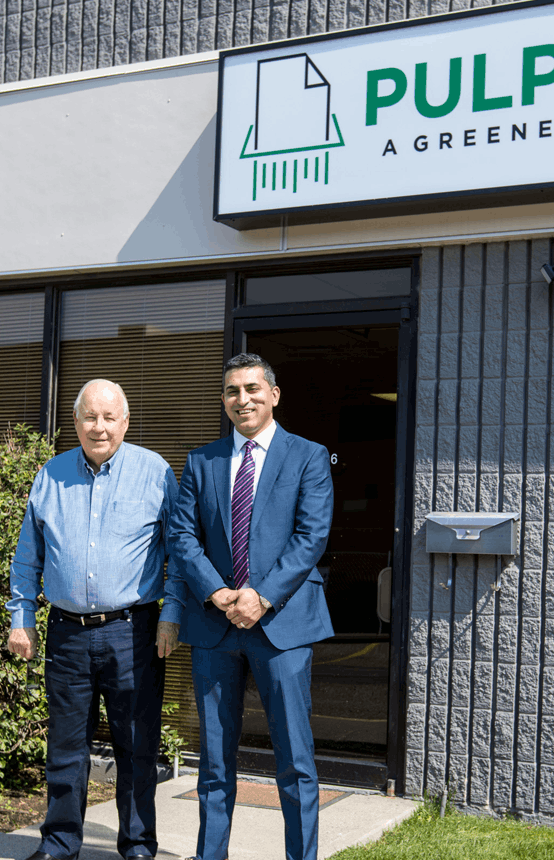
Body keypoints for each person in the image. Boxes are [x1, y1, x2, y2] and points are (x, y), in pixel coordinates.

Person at [157, 353, 334, 860]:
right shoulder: (201, 461)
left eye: (253, 389)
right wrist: (217, 592)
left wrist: (261, 596)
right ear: (223, 401)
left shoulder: (308, 455)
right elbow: (182, 536)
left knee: (294, 759)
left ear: (274, 395)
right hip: (215, 627)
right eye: (233, 391)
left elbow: (311, 536)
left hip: (282, 625)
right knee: (214, 759)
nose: (243, 399)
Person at [9, 379, 177, 860]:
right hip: (66, 635)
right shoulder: (51, 474)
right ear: (76, 421)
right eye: (89, 416)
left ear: (125, 422)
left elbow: (180, 555)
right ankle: (60, 844)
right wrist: (22, 617)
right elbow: (27, 557)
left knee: (137, 746)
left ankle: (139, 846)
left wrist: (172, 616)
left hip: (133, 632)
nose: (98, 427)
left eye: (109, 417)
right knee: (65, 747)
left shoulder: (156, 473)